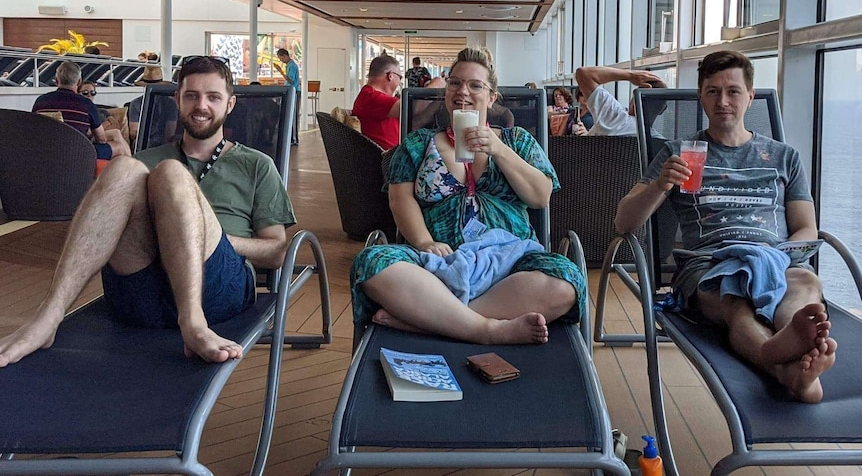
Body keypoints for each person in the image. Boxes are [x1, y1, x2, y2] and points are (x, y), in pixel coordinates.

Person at [0, 56, 296, 367]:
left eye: (213, 97)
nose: (201, 105)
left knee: (170, 173)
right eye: (192, 95)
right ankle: (47, 318)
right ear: (177, 99)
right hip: (141, 291)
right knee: (123, 168)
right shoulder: (144, 160)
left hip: (216, 289)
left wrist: (202, 236)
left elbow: (276, 251)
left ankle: (194, 324)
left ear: (230, 104)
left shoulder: (256, 165)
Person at [614, 50, 836, 403]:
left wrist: (782, 257)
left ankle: (794, 356)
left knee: (806, 282)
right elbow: (624, 222)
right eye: (713, 91)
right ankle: (775, 358)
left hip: (774, 260)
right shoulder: (680, 153)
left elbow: (806, 228)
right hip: (711, 265)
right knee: (735, 297)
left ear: (750, 96)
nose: (723, 101)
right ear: (701, 97)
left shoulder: (784, 157)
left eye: (733, 91)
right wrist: (660, 185)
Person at [350, 46, 586, 345]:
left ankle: (429, 321)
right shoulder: (418, 144)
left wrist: (498, 150)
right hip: (434, 265)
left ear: (491, 97)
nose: (463, 91)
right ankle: (486, 329)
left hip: (510, 266)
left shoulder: (516, 140)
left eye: (476, 85)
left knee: (565, 281)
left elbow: (541, 197)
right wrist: (425, 242)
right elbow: (400, 200)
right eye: (455, 83)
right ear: (446, 90)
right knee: (371, 262)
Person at [32, 61, 130, 160]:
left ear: (56, 81)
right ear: (79, 82)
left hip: (46, 152)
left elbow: (33, 130)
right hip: (79, 154)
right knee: (118, 147)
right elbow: (101, 139)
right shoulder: (86, 104)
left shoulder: (41, 101)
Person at [574, 65, 666, 136]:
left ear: (633, 104)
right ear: (663, 110)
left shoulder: (617, 119)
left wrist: (630, 76)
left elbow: (583, 74)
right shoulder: (658, 142)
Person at [351, 54, 402, 150]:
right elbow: (409, 108)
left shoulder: (367, 95)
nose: (399, 82)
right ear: (390, 76)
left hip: (393, 155)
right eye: (400, 77)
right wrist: (434, 87)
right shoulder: (371, 97)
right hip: (390, 160)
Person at [273, 48, 301, 145]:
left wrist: (280, 71)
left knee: (293, 115)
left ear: (285, 56)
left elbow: (291, 81)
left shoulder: (292, 66)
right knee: (290, 115)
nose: (281, 61)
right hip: (291, 91)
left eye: (281, 58)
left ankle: (294, 139)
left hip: (294, 92)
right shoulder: (289, 65)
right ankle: (291, 138)